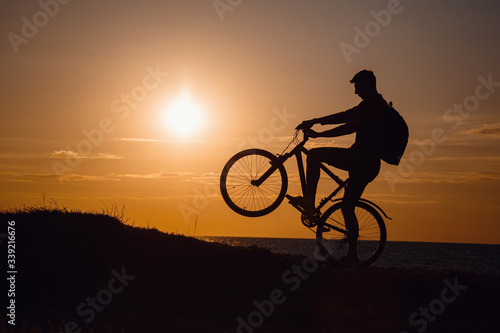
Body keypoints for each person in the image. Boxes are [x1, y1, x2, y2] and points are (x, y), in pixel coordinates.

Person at [292, 69, 389, 264]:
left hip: (360, 160)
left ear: (366, 84)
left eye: (357, 87)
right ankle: (352, 255)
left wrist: (317, 123)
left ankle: (310, 203)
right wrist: (321, 132)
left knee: (313, 155)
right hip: (368, 165)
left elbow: (345, 118)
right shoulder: (375, 107)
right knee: (347, 207)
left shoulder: (373, 106)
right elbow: (349, 125)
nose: (355, 92)